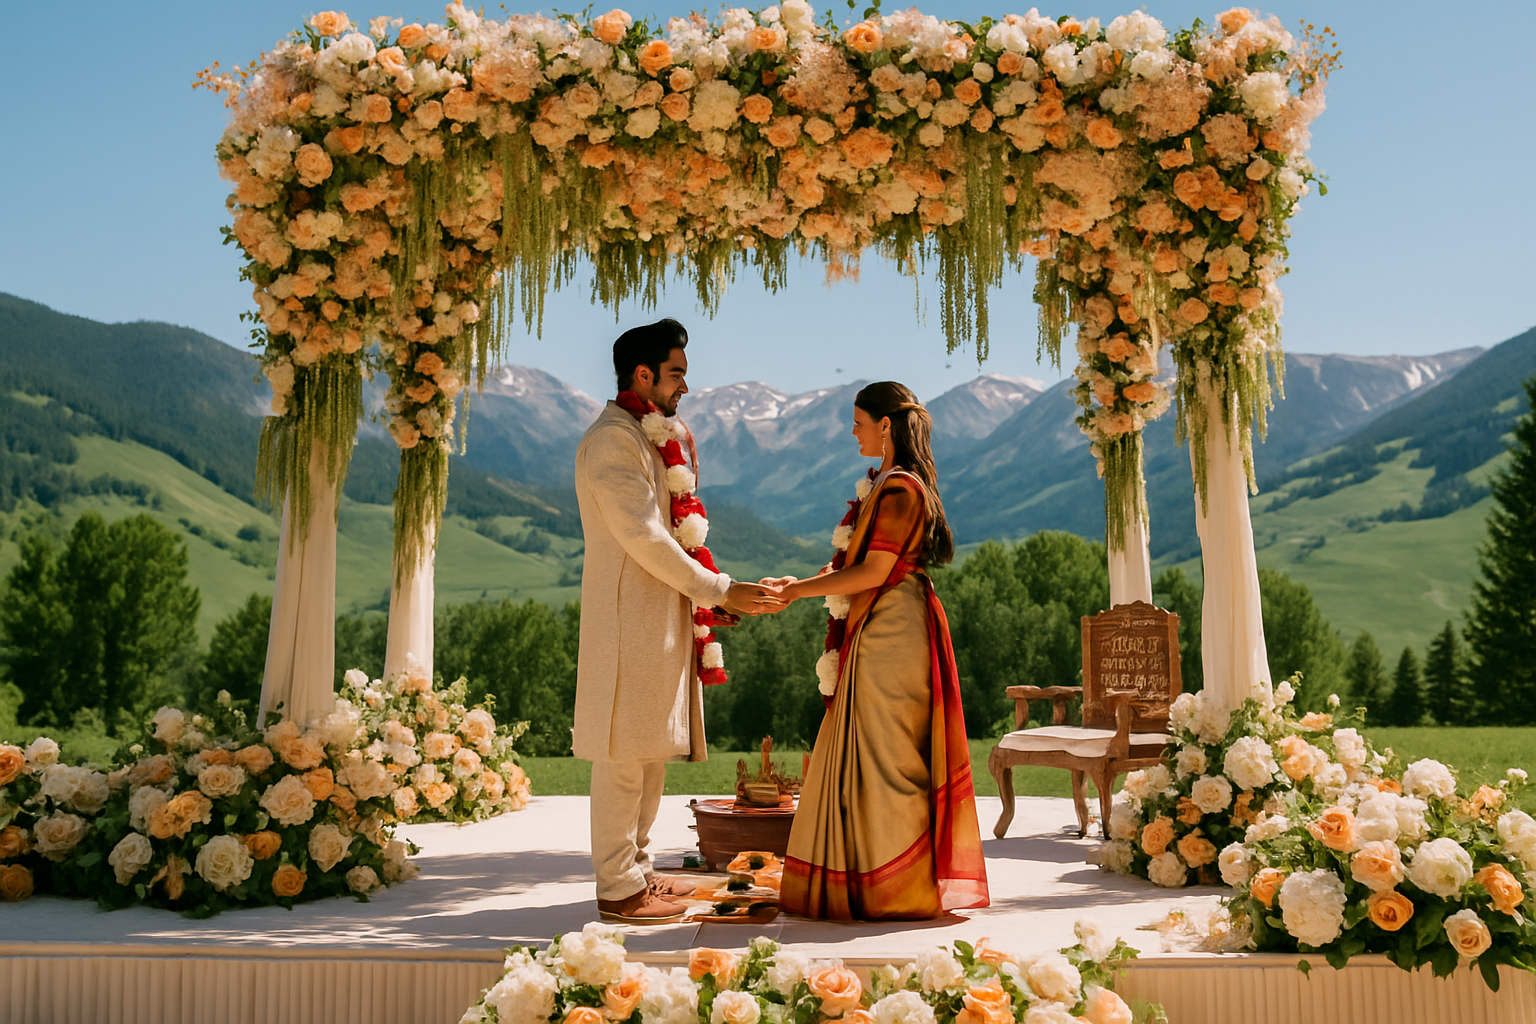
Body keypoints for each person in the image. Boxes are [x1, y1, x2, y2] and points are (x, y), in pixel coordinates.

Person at [573, 317, 782, 924]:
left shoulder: (643, 436)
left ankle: (639, 874)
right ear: (643, 375)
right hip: (626, 624)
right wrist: (718, 588)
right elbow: (645, 539)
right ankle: (617, 890)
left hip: (657, 621)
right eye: (676, 374)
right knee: (622, 755)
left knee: (648, 751)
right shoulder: (614, 441)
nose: (685, 386)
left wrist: (708, 599)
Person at [766, 381, 990, 919]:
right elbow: (855, 568)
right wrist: (815, 578)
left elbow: (875, 571)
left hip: (895, 632)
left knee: (890, 760)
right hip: (883, 625)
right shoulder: (883, 485)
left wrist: (798, 591)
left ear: (885, 426)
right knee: (871, 756)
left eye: (859, 422)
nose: (852, 431)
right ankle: (869, 882)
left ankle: (901, 889)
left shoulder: (900, 490)